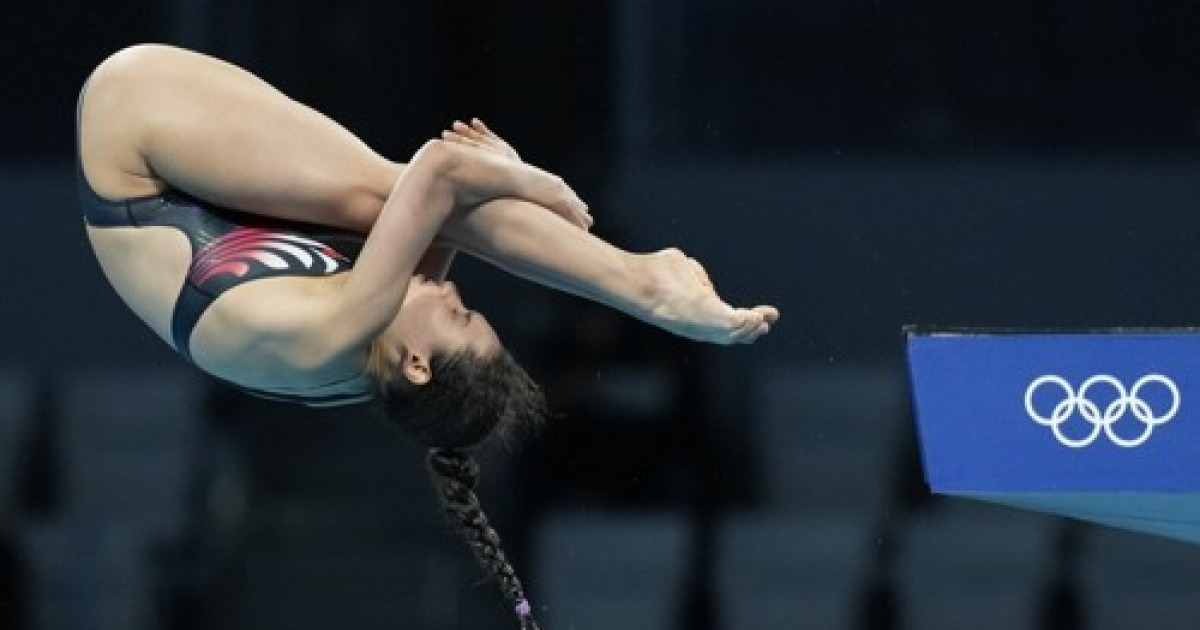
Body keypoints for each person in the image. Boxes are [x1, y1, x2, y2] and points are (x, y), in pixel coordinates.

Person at [78, 44, 779, 628]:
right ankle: (638, 285)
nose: (452, 294)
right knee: (416, 207)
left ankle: (644, 289)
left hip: (132, 143)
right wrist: (493, 178)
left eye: (459, 317)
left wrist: (532, 181)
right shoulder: (376, 350)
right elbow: (444, 218)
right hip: (203, 198)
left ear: (417, 364)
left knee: (389, 193)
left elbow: (440, 170)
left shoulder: (326, 334)